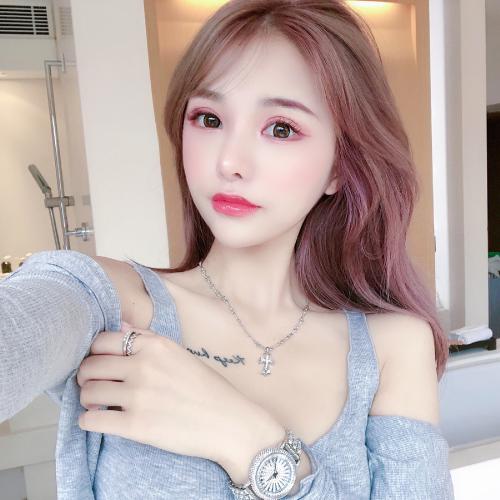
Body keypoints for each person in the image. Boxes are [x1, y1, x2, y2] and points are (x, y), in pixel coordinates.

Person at [0, 0, 455, 498]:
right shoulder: (111, 304)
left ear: (339, 168)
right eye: (209, 119)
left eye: (281, 128)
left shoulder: (392, 347)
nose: (230, 162)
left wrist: (249, 439)